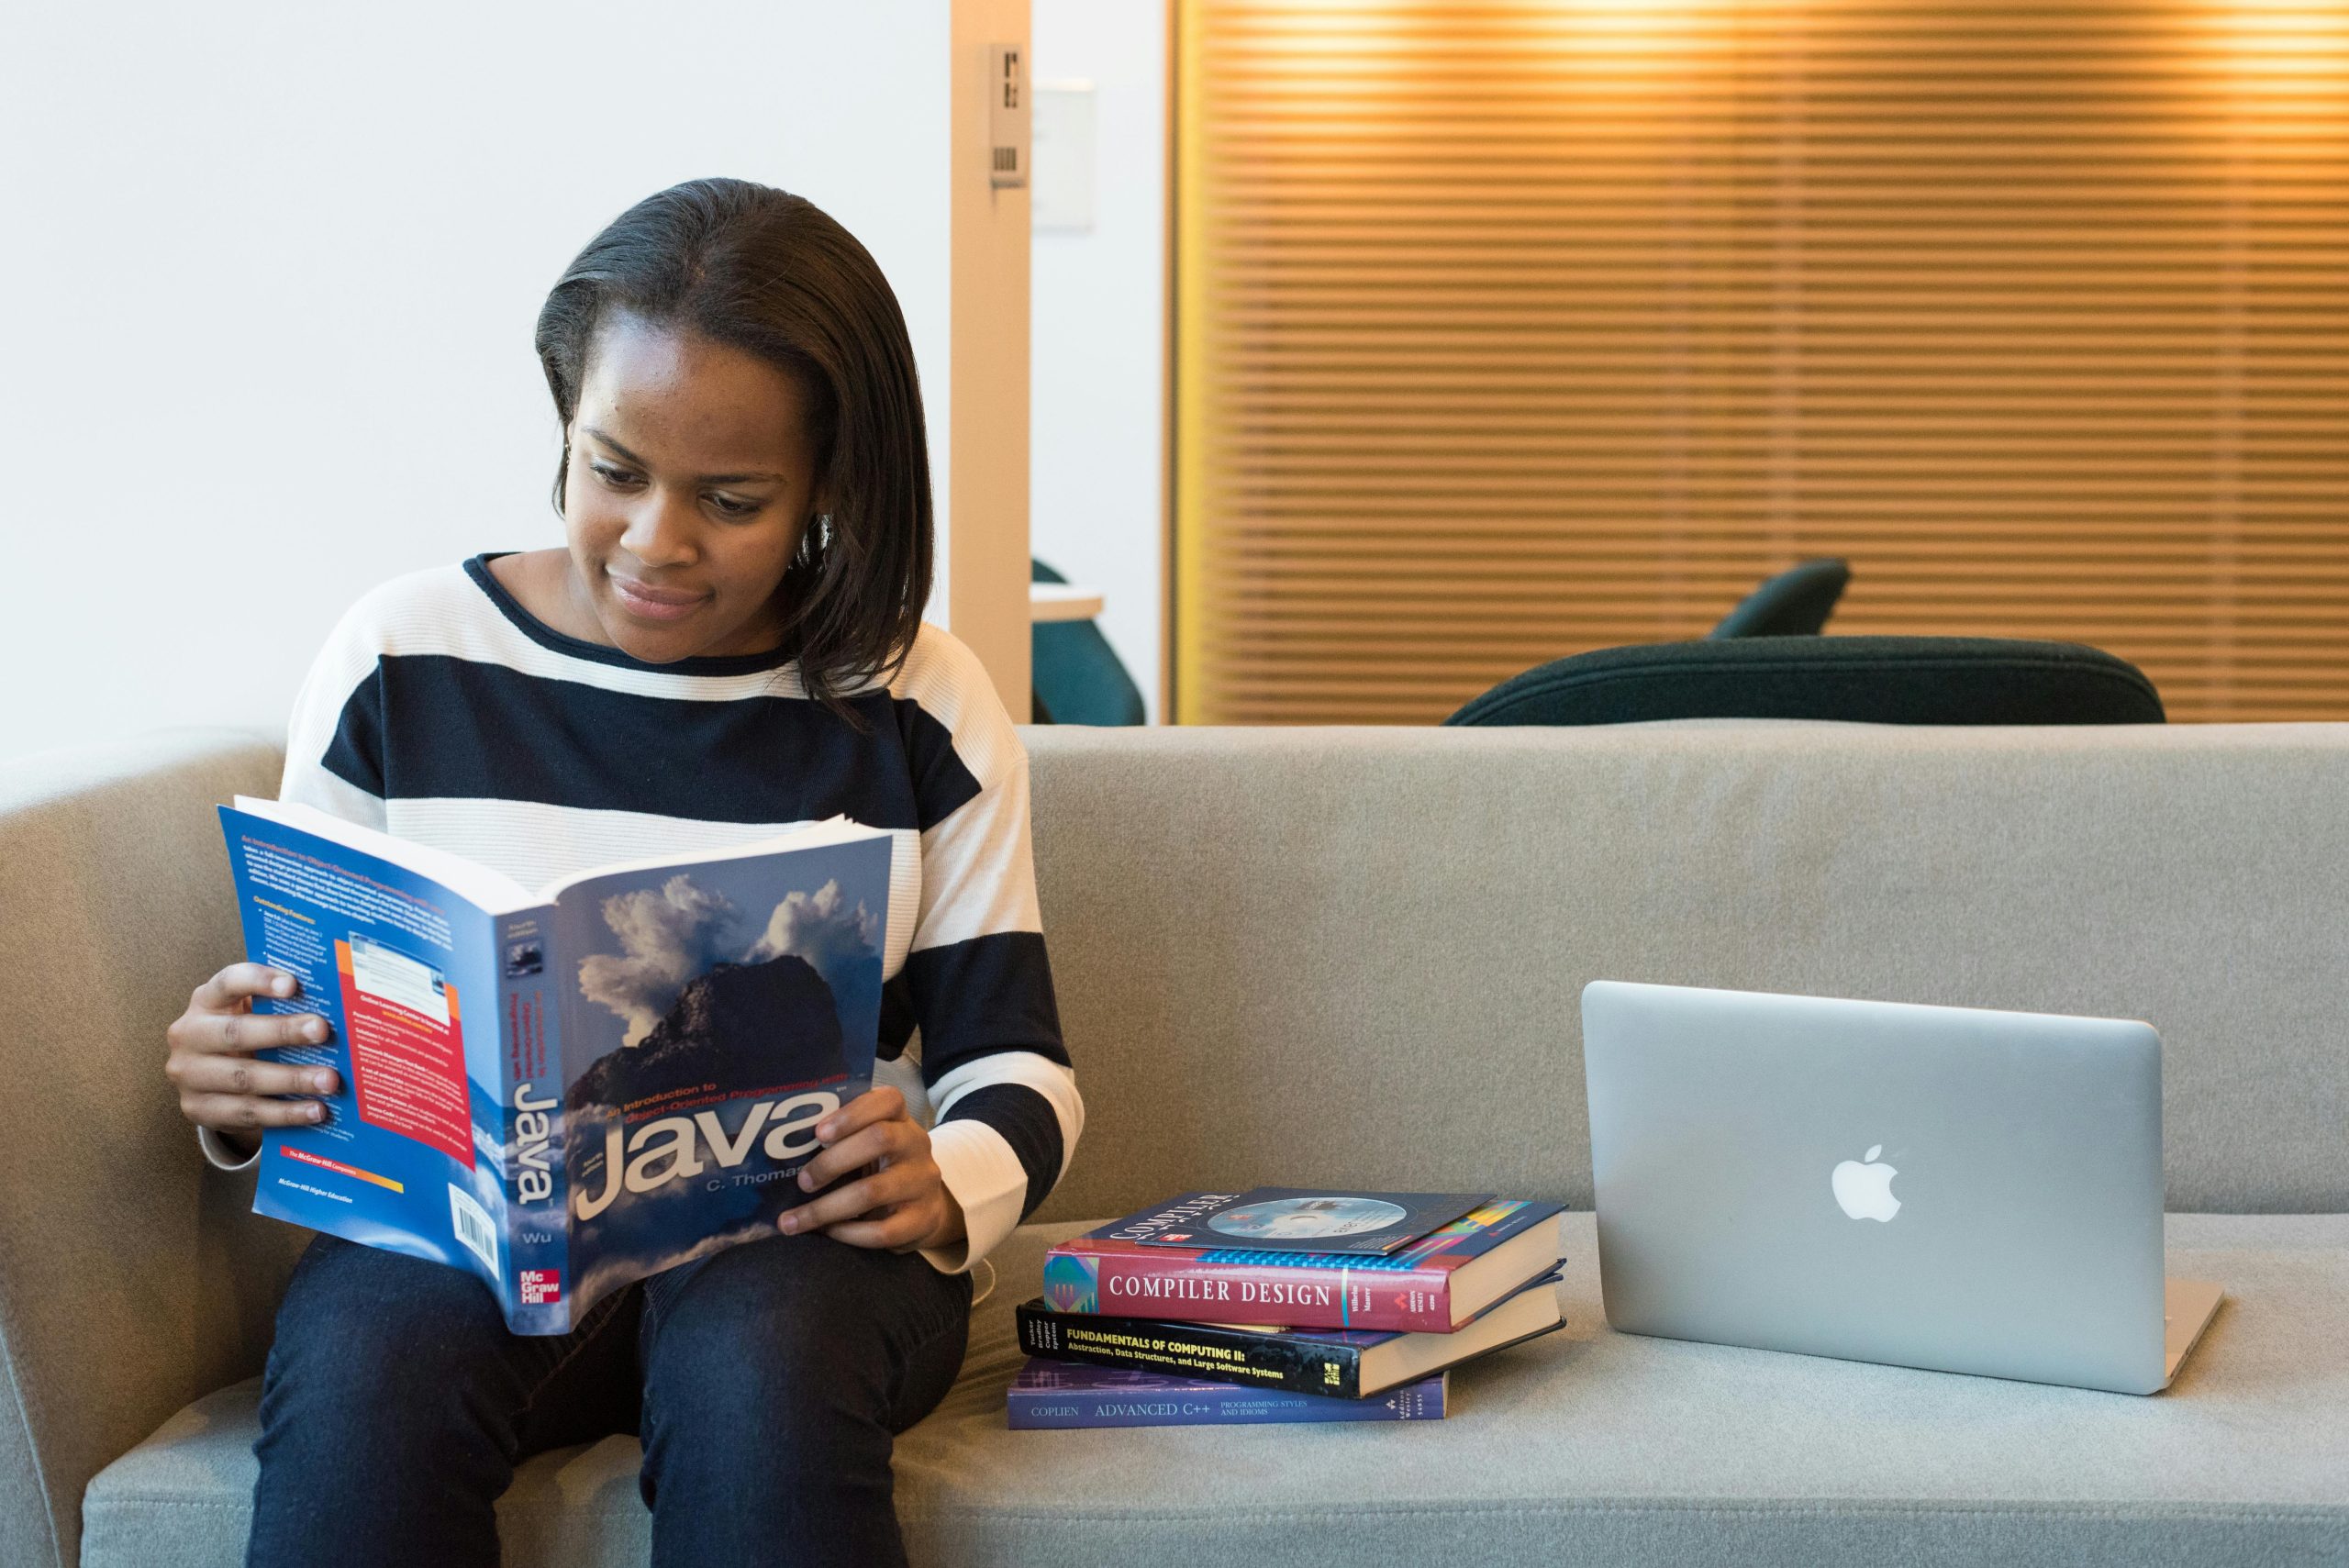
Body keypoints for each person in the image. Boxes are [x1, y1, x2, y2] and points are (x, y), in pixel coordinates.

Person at [161, 178, 1082, 1568]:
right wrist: (244, 1080)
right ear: (564, 422)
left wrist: (947, 1175)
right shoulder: (397, 663)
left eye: (732, 498)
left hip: (800, 1249)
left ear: (831, 484)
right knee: (367, 1371)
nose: (658, 540)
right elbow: (316, 1030)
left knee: (758, 1366)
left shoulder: (915, 702)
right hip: (476, 1248)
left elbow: (1021, 1064)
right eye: (614, 470)